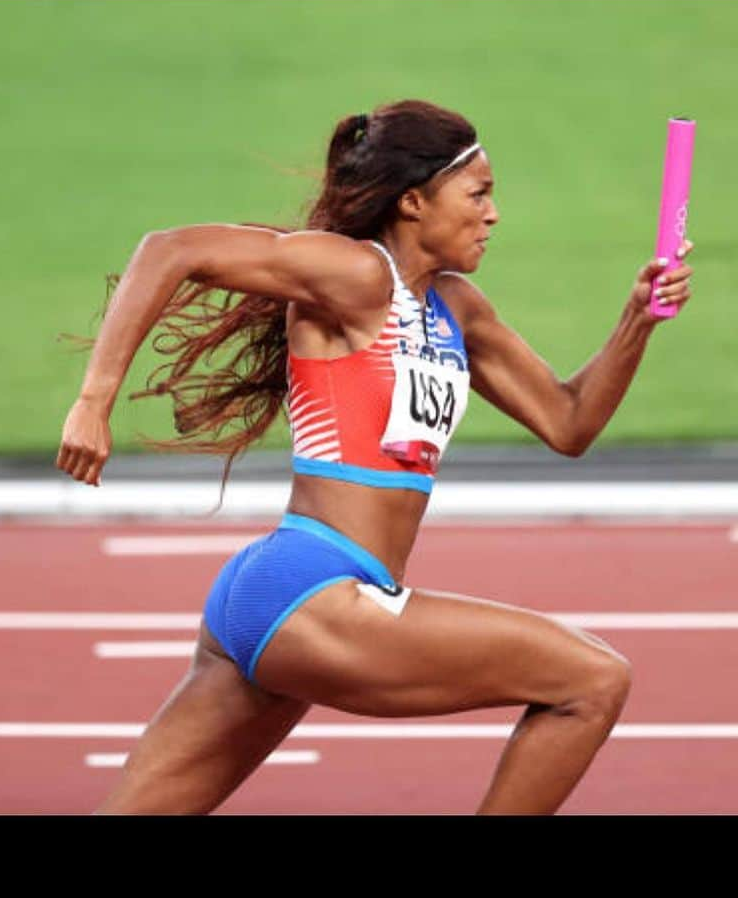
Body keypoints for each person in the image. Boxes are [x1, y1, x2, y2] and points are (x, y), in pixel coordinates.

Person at [56, 99, 694, 815]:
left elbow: (568, 423)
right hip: (313, 587)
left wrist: (635, 322)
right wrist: (94, 398)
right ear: (415, 201)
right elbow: (170, 249)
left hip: (289, 597)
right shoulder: (357, 274)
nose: (494, 214)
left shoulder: (458, 309)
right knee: (592, 681)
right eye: (479, 194)